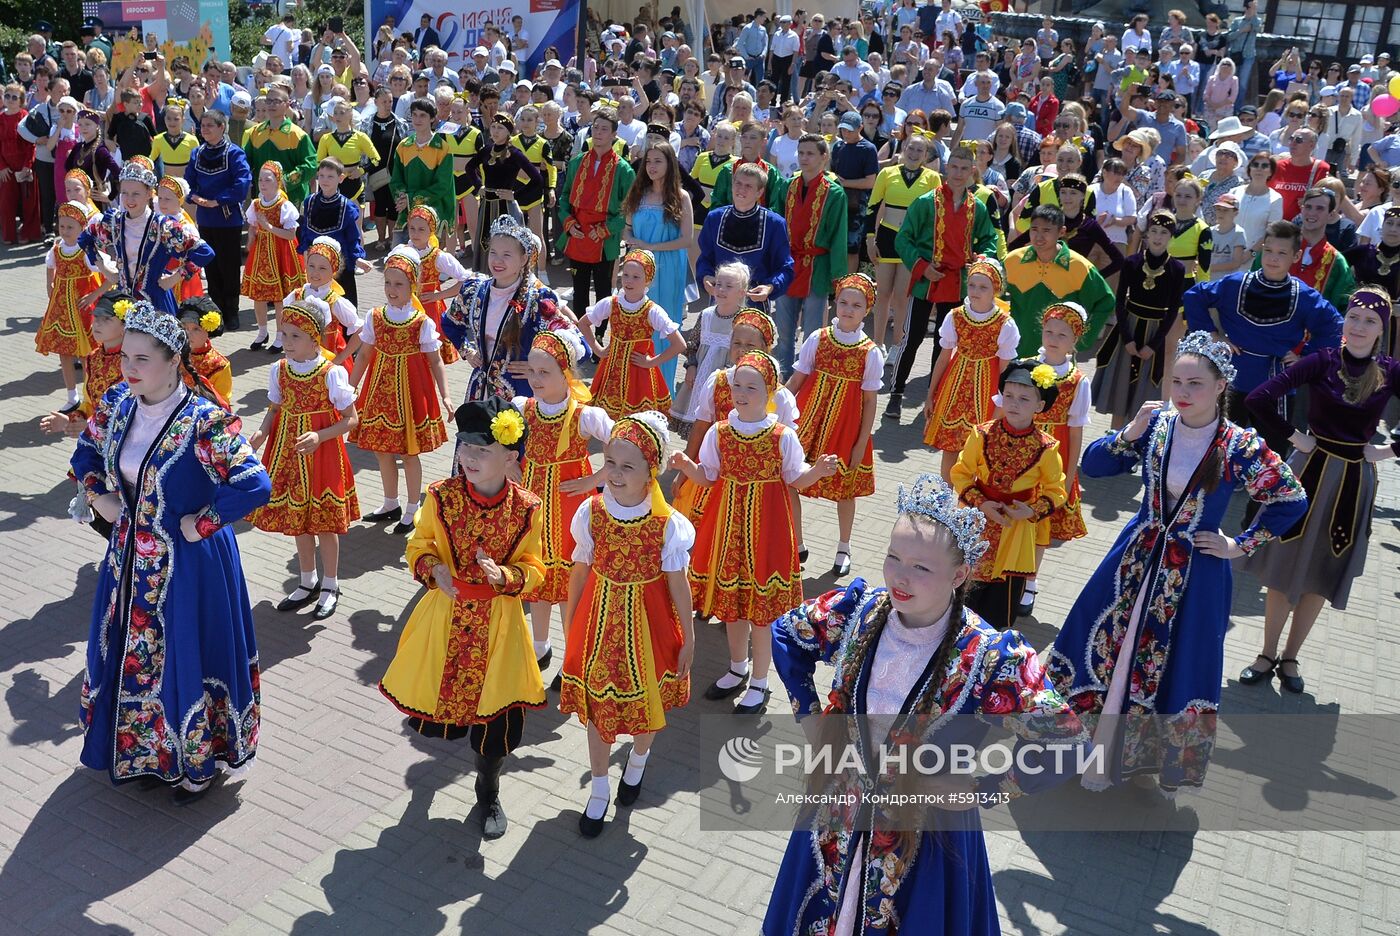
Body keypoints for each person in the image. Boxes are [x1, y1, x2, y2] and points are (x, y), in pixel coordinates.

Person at [766, 472, 1083, 936]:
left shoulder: (988, 655)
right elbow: (789, 634)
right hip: (839, 809)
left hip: (927, 837)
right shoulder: (862, 610)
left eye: (921, 567)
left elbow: (1067, 737)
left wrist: (983, 788)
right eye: (893, 557)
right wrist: (809, 716)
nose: (899, 575)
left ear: (959, 575)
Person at [1048, 331, 1306, 795]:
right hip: (1135, 556)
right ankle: (1084, 744)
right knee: (1105, 640)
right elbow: (1093, 466)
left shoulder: (1239, 445)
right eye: (1177, 382)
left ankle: (1142, 759)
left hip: (1196, 570)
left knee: (1179, 659)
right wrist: (1127, 433)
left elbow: (1290, 498)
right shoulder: (1158, 425)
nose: (1182, 393)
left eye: (1195, 384)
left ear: (1220, 387)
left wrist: (1239, 544)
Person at [69, 300, 271, 801]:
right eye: (125, 357)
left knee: (183, 656)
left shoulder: (205, 421)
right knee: (135, 655)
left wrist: (202, 524)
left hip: (188, 565)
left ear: (172, 362)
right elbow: (85, 453)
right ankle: (141, 753)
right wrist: (100, 496)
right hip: (130, 564)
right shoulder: (118, 403)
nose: (129, 369)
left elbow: (254, 484)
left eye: (142, 359)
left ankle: (195, 765)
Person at [379, 396, 547, 841]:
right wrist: (433, 568)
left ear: (510, 457)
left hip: (500, 626)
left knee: (496, 719)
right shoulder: (441, 497)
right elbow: (419, 543)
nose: (469, 458)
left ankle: (488, 791)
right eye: (464, 447)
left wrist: (508, 575)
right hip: (445, 616)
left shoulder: (528, 508)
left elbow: (537, 569)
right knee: (443, 699)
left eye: (482, 450)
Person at [1239, 287, 1400, 694]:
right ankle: (1267, 652)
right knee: (1283, 562)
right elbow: (1260, 399)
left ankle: (1292, 657)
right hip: (1307, 471)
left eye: (1370, 321)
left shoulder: (1390, 370)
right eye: (1354, 317)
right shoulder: (1323, 360)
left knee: (1320, 570)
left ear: (1382, 329)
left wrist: (1385, 451)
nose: (1359, 326)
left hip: (1352, 479)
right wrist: (1294, 437)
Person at [672, 351, 837, 716]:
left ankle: (760, 683)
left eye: (752, 387)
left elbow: (795, 478)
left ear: (770, 393)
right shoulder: (720, 431)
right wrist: (687, 465)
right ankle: (737, 668)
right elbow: (709, 476)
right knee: (733, 609)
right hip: (726, 529)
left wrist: (820, 471)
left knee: (760, 614)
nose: (742, 393)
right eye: (737, 386)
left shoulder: (782, 436)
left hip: (767, 531)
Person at [559, 411, 695, 837]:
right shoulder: (592, 510)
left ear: (651, 471)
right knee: (599, 709)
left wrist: (689, 638)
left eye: (627, 466)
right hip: (597, 621)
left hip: (649, 625)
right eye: (610, 463)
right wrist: (570, 625)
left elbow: (678, 584)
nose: (615, 474)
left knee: (644, 709)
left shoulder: (667, 524)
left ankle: (636, 763)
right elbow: (579, 571)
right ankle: (599, 788)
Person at [1184, 221, 1343, 454]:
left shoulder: (1304, 296)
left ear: (1296, 256)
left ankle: (1266, 488)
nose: (1273, 258)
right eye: (1268, 250)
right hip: (1232, 374)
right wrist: (1214, 336)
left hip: (1276, 381)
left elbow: (1335, 326)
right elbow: (1194, 296)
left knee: (1273, 448)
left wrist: (1306, 357)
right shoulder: (1237, 284)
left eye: (1282, 253)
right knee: (1221, 441)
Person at [246, 297, 360, 620]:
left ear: (315, 339)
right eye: (284, 335)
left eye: (295, 336)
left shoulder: (331, 373)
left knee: (325, 523)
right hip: (288, 451)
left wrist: (320, 436)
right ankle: (307, 579)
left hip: (321, 454)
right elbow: (276, 407)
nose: (286, 343)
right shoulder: (279, 370)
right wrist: (261, 433)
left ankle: (330, 584)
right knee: (299, 521)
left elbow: (351, 419)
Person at [510, 329, 613, 685]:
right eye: (532, 373)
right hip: (535, 505)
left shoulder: (584, 415)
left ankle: (574, 657)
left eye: (545, 373)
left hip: (571, 508)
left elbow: (628, 445)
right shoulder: (522, 408)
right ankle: (540, 645)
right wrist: (511, 466)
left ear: (566, 374)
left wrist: (594, 480)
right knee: (537, 580)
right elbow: (496, 443)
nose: (536, 381)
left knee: (571, 586)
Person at [949, 358, 1067, 630]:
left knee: (999, 609)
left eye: (1024, 399)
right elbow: (961, 473)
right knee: (961, 595)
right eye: (1009, 396)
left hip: (1016, 531)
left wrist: (1032, 511)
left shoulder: (1047, 448)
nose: (1014, 403)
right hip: (976, 522)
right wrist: (982, 503)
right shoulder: (982, 434)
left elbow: (1056, 489)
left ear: (1039, 406)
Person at [888, 143, 998, 421]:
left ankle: (934, 397)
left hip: (959, 283)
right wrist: (922, 267)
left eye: (965, 169)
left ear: (973, 171)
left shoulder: (978, 207)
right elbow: (903, 239)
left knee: (945, 343)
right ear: (946, 168)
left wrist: (981, 258)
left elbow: (989, 239)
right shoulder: (926, 202)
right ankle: (896, 394)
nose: (959, 174)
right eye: (954, 167)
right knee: (910, 339)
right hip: (927, 281)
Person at [349, 245, 451, 533]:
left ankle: (411, 507)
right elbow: (366, 355)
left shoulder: (422, 322)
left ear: (413, 286)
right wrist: (351, 388)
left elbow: (435, 361)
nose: (392, 289)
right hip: (379, 393)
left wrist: (445, 396)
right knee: (382, 450)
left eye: (399, 284)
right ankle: (390, 502)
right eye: (388, 283)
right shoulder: (376, 316)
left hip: (410, 395)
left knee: (409, 452)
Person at [788, 274, 885, 577]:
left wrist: (861, 442)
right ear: (834, 303)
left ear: (867, 310)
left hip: (845, 428)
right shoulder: (818, 338)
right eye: (843, 302)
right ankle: (798, 542)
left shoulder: (870, 352)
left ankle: (844, 545)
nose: (848, 309)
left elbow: (869, 402)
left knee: (845, 489)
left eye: (856, 305)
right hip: (808, 422)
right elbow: (797, 379)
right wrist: (773, 408)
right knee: (789, 479)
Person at [922, 257, 1019, 481]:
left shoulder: (1004, 323)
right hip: (954, 386)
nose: (976, 291)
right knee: (950, 447)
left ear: (996, 289)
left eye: (983, 287)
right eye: (972, 285)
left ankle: (968, 501)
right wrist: (931, 394)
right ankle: (945, 499)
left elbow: (1006, 369)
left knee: (978, 450)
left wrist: (1003, 405)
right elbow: (943, 357)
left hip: (986, 390)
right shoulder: (955, 316)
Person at [80, 156, 214, 315]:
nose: (129, 199)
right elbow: (85, 238)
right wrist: (105, 269)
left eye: (136, 193)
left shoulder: (163, 227)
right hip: (123, 302)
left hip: (156, 302)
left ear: (149, 194)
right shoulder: (114, 222)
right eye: (125, 193)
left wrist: (173, 279)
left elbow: (204, 252)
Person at [1093, 212, 1189, 429]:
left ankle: (1138, 439)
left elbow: (1173, 309)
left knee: (1144, 391)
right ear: (1145, 234)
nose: (1158, 236)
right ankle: (1114, 437)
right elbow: (1119, 302)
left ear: (1171, 237)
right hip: (1129, 329)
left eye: (1164, 232)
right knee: (1120, 386)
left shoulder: (1177, 269)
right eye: (1153, 231)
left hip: (1154, 333)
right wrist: (1127, 339)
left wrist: (1154, 344)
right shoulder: (1131, 262)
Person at [771, 133, 849, 375]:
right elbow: (776, 223)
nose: (804, 158)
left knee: (813, 333)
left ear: (823, 157)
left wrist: (838, 278)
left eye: (810, 153)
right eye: (801, 152)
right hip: (788, 264)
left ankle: (807, 382)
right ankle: (782, 379)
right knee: (783, 333)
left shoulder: (835, 194)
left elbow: (838, 237)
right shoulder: (787, 186)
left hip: (818, 266)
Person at [623, 141, 696, 392]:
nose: (652, 166)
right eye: (649, 161)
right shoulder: (638, 193)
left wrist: (650, 247)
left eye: (658, 161)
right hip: (638, 267)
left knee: (663, 327)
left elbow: (687, 239)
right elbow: (627, 229)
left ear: (670, 164)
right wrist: (632, 241)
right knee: (637, 323)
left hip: (668, 269)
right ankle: (636, 388)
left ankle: (662, 390)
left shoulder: (681, 196)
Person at [579, 249, 685, 420]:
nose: (629, 281)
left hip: (639, 373)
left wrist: (652, 362)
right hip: (611, 370)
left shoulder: (652, 311)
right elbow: (583, 323)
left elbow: (679, 345)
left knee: (636, 421)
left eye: (636, 277)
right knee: (607, 421)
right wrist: (597, 349)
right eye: (626, 274)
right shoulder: (611, 303)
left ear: (647, 280)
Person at [1003, 204, 1115, 358]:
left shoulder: (1079, 266)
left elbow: (1106, 301)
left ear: (1061, 232)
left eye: (1046, 231)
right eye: (1034, 229)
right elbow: (994, 294)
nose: (1039, 236)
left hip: (1058, 359)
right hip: (1016, 353)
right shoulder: (1013, 260)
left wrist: (1081, 340)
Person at [557, 105, 635, 319]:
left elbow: (629, 208)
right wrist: (569, 224)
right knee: (579, 291)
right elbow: (564, 199)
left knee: (603, 293)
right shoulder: (576, 162)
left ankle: (600, 339)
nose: (598, 133)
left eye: (603, 129)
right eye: (595, 128)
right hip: (578, 235)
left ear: (614, 134)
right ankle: (581, 339)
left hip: (603, 240)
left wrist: (605, 229)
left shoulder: (623, 169)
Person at [696, 161, 794, 310]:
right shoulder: (715, 218)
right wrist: (706, 276)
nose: (741, 189)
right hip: (719, 302)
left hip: (754, 304)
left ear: (759, 192)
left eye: (748, 186)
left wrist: (770, 287)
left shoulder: (774, 224)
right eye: (738, 183)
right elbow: (705, 258)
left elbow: (785, 267)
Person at [187, 108, 251, 329]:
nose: (204, 130)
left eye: (209, 126)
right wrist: (194, 196)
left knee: (230, 266)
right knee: (211, 266)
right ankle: (215, 312)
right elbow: (189, 181)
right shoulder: (197, 153)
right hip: (205, 218)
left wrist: (218, 200)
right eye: (202, 126)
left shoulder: (234, 153)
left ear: (221, 127)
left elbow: (242, 183)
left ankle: (232, 312)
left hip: (227, 218)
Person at [38, 200, 101, 412]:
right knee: (63, 352)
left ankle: (89, 396)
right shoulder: (56, 249)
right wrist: (50, 285)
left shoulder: (85, 251)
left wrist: (94, 296)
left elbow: (102, 274)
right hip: (61, 309)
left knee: (86, 355)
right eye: (61, 226)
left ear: (82, 228)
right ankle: (71, 395)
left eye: (70, 227)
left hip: (82, 310)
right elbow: (50, 266)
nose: (64, 231)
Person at [242, 163, 305, 352]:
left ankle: (280, 335)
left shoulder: (284, 205)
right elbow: (253, 226)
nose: (262, 183)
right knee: (259, 296)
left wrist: (269, 227)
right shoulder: (255, 204)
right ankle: (262, 332)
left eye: (267, 179)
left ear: (277, 181)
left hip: (281, 254)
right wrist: (251, 238)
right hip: (261, 254)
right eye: (260, 179)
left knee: (279, 298)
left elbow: (291, 235)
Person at [297, 157, 369, 308]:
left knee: (342, 309)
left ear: (340, 178)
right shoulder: (309, 202)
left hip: (339, 269)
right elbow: (305, 233)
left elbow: (352, 238)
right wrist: (305, 254)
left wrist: (357, 259)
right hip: (316, 268)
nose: (325, 180)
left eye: (330, 176)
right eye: (321, 176)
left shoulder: (347, 207)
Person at [176, 297, 233, 407]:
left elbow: (222, 403)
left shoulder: (219, 365)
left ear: (209, 331)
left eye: (196, 329)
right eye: (184, 327)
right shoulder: (172, 353)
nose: (188, 333)